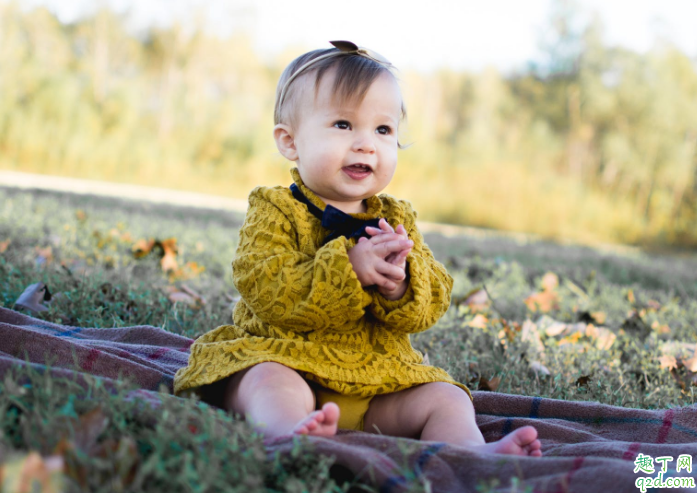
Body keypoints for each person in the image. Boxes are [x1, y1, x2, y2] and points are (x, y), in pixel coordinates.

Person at [174, 41, 542, 457]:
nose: (366, 144)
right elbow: (265, 283)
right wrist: (347, 268)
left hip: (376, 382)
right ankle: (289, 434)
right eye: (344, 125)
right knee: (264, 382)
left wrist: (401, 285)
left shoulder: (396, 218)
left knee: (447, 397)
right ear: (290, 142)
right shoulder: (275, 208)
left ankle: (471, 454)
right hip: (287, 358)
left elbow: (434, 297)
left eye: (383, 130)